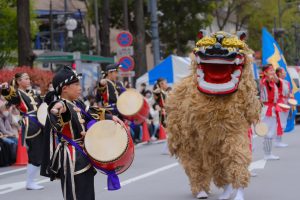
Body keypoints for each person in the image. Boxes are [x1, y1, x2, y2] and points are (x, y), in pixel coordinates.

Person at [41, 66, 123, 200]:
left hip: (83, 155)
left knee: (87, 193)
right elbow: (57, 111)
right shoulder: (62, 104)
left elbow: (91, 112)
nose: (80, 87)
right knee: (75, 195)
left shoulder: (76, 102)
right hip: (71, 158)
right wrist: (55, 110)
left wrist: (111, 117)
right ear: (64, 89)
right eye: (76, 84)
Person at [1, 73, 44, 190]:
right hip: (30, 125)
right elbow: (10, 96)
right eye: (26, 79)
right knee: (35, 154)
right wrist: (6, 89)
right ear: (19, 81)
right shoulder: (18, 93)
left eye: (29, 78)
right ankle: (30, 182)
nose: (29, 80)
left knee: (38, 153)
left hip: (40, 123)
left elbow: (43, 105)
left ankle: (32, 181)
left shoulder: (33, 92)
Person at [260, 64, 280, 160]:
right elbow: (268, 80)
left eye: (273, 70)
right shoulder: (265, 81)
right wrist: (270, 76)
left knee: (271, 131)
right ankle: (267, 154)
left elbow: (277, 81)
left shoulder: (271, 81)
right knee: (268, 132)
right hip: (267, 108)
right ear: (265, 73)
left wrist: (273, 74)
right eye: (270, 70)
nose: (273, 72)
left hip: (272, 108)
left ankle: (268, 153)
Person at [275, 67, 291, 148]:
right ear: (279, 73)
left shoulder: (287, 82)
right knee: (280, 123)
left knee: (283, 124)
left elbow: (288, 93)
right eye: (283, 72)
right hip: (280, 103)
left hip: (286, 103)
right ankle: (277, 141)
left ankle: (279, 140)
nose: (285, 73)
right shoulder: (277, 81)